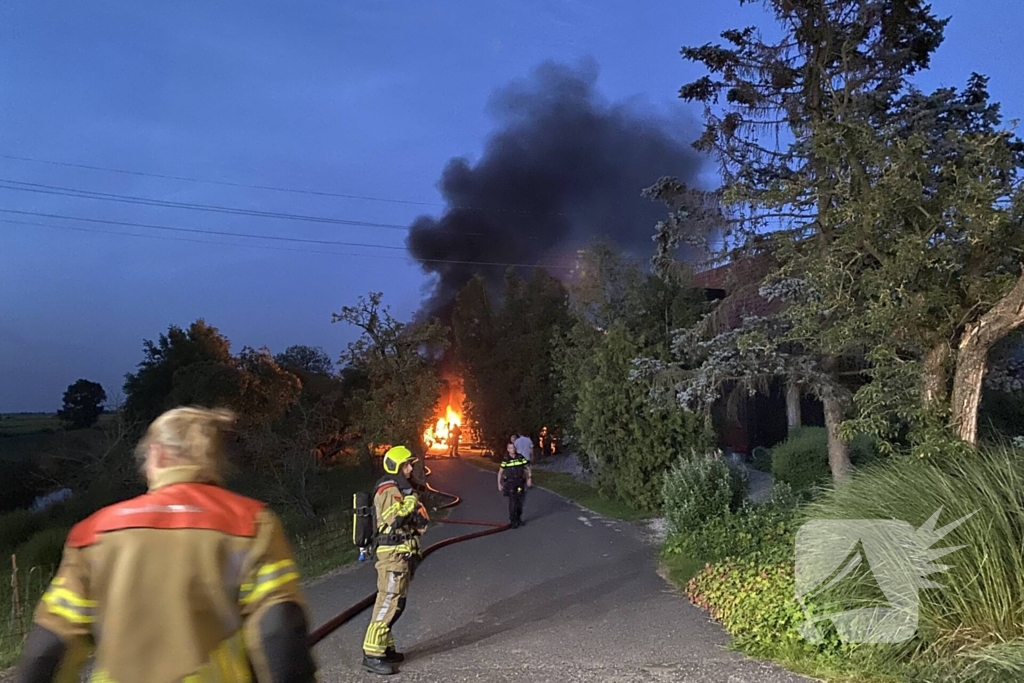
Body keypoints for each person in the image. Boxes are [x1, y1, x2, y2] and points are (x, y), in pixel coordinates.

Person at [15, 406, 318, 683]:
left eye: (145, 458)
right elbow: (280, 631)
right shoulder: (251, 523)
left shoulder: (93, 533)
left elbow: (49, 649)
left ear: (158, 455)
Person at [362, 445, 429, 675]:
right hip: (392, 556)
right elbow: (395, 518)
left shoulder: (398, 488)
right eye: (407, 465)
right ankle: (372, 653)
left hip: (400, 555)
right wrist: (412, 501)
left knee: (397, 603)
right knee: (389, 601)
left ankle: (385, 649)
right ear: (397, 467)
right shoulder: (388, 489)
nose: (410, 469)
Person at [497, 442, 532, 528]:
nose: (513, 449)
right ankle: (513, 521)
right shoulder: (506, 459)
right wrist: (499, 483)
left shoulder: (520, 457)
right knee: (512, 502)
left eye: (514, 448)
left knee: (519, 501)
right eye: (511, 448)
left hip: (519, 482)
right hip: (510, 483)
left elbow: (527, 468)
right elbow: (500, 472)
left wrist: (529, 478)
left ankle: (518, 518)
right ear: (508, 449)